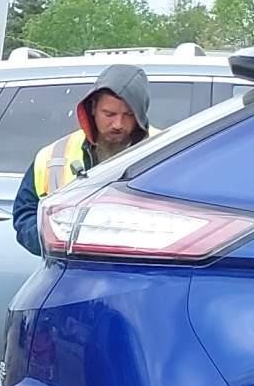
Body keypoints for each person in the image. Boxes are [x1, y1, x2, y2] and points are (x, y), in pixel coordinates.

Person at [13, 64, 156, 254]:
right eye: (109, 114)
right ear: (93, 108)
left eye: (129, 115)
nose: (118, 124)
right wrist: (58, 241)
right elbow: (25, 216)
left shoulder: (165, 152)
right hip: (72, 271)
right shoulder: (54, 156)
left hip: (138, 273)